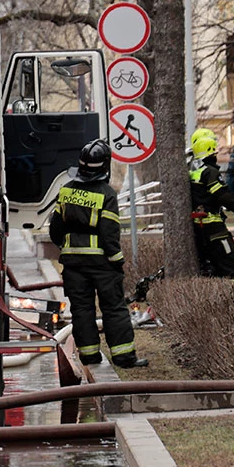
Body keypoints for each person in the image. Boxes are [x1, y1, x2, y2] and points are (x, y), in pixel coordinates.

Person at [49, 139, 147, 368]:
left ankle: (90, 356)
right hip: (103, 264)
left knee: (82, 310)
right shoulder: (107, 194)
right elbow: (109, 234)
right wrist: (117, 261)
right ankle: (124, 357)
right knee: (113, 308)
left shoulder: (66, 192)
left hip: (73, 264)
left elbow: (55, 232)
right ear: (105, 165)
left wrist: (70, 246)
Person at [189, 134, 234, 279]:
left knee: (212, 266)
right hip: (214, 227)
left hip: (199, 228)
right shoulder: (211, 172)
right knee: (232, 263)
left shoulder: (195, 172)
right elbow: (223, 196)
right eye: (214, 152)